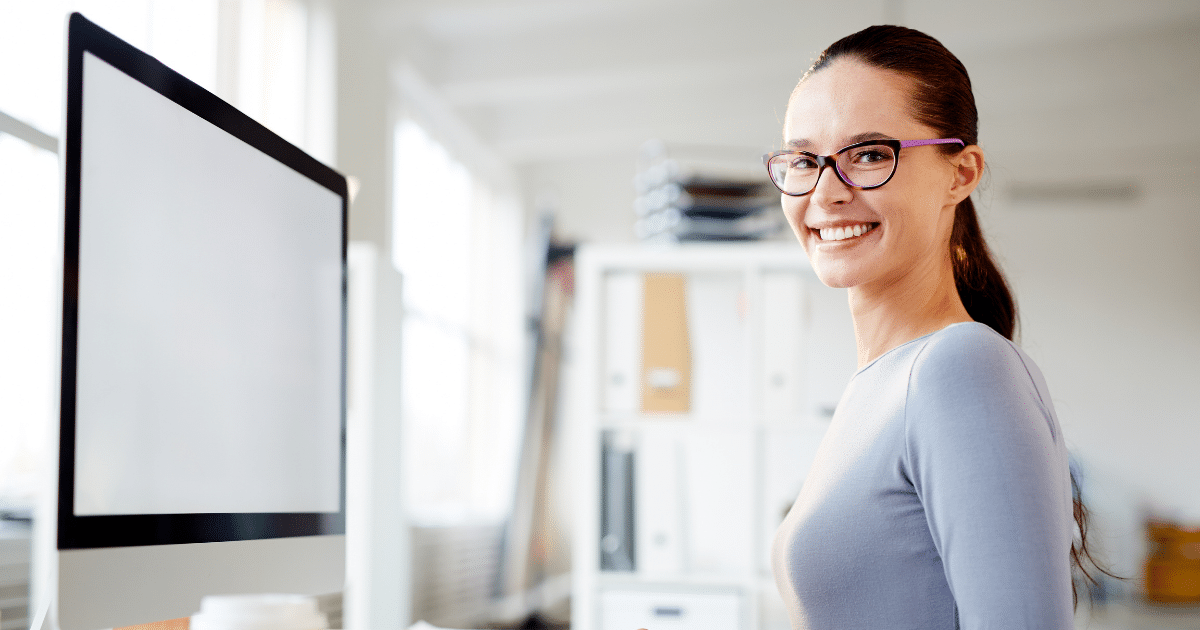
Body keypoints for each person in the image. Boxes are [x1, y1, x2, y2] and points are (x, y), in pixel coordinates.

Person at [763, 25, 1109, 629]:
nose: (826, 191)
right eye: (804, 159)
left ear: (962, 173)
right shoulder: (873, 389)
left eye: (869, 154)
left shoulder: (960, 366)